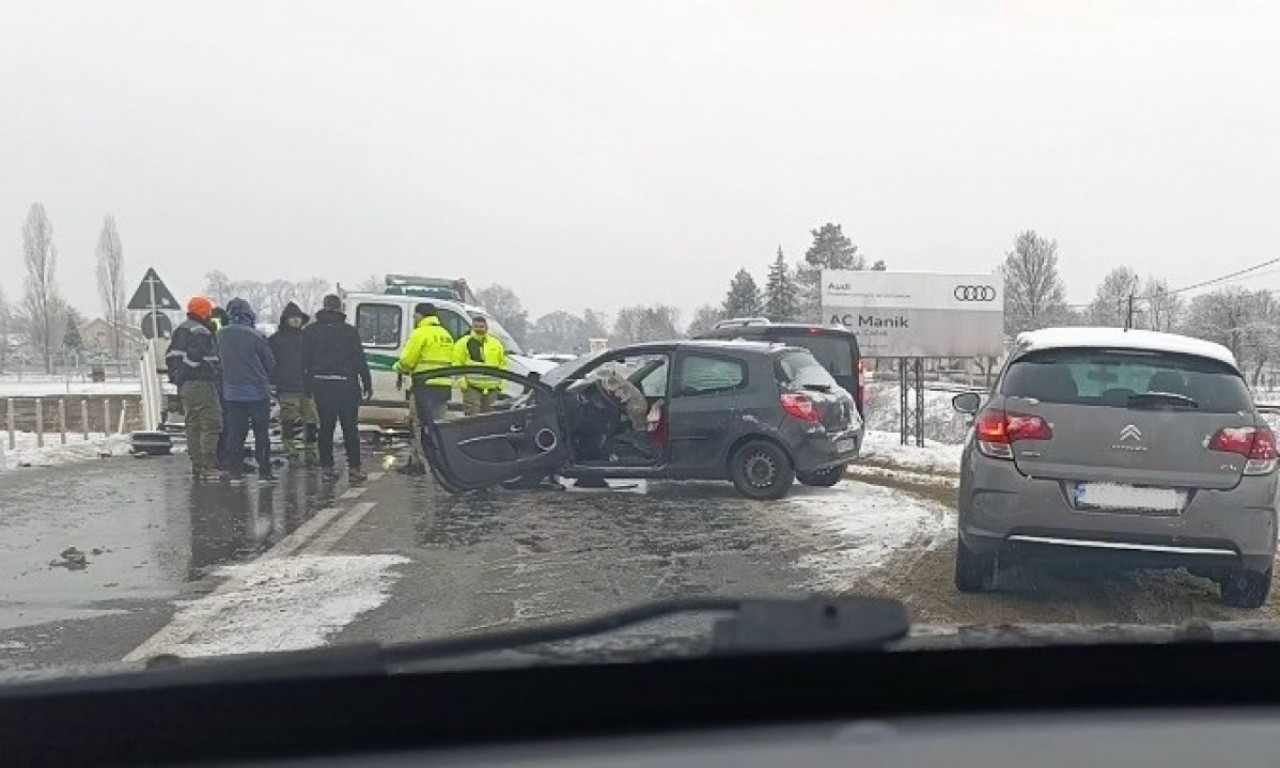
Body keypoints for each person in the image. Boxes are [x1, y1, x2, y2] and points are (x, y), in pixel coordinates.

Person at [303, 294, 373, 483]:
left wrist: (307, 386)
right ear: (340, 309)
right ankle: (355, 468)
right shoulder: (349, 331)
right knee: (350, 427)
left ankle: (327, 468)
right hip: (346, 384)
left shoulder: (310, 331)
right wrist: (367, 383)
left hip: (321, 383)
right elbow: (359, 359)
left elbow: (305, 361)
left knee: (326, 428)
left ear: (324, 307)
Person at [218, 298, 277, 481]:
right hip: (257, 392)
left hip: (232, 393)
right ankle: (265, 471)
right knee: (261, 433)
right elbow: (270, 363)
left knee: (235, 433)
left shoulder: (220, 335)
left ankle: (235, 471)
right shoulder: (255, 336)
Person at [165, 296, 223, 481]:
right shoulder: (201, 331)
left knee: (193, 424)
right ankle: (208, 465)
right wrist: (186, 372)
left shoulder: (182, 329)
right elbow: (195, 356)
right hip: (200, 383)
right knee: (211, 423)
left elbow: (171, 355)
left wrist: (178, 377)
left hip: (186, 386)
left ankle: (197, 465)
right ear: (205, 312)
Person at [394, 303, 455, 472]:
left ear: (421, 316)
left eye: (415, 316)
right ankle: (440, 462)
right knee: (438, 426)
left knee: (418, 424)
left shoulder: (420, 333)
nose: (414, 319)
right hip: (443, 387)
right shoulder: (446, 334)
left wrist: (397, 368)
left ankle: (417, 462)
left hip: (424, 386)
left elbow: (407, 361)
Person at [269, 302, 318, 464]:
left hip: (306, 386)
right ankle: (291, 453)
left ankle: (310, 451)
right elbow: (270, 363)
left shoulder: (307, 338)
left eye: (298, 318)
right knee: (288, 422)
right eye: (293, 318)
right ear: (286, 319)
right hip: (287, 387)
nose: (296, 321)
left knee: (311, 421)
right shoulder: (276, 340)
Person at [452, 314, 506, 415]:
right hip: (472, 387)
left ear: (486, 328)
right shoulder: (463, 343)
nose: (479, 329)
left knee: (490, 419)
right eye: (476, 326)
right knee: (473, 418)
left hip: (492, 389)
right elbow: (457, 363)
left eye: (481, 327)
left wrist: (501, 384)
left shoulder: (496, 343)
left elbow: (502, 364)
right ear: (471, 327)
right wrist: (462, 383)